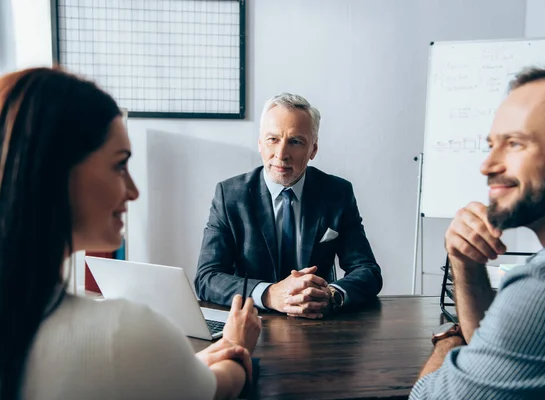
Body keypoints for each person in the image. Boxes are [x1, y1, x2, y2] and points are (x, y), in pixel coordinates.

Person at [0, 67, 261, 400]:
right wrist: (236, 346)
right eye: (120, 164)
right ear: (54, 171)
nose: (134, 191)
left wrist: (181, 367)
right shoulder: (123, 333)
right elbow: (216, 390)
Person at [410, 67, 545, 399]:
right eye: (491, 144)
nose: (487, 165)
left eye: (514, 143)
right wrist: (464, 261)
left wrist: (449, 343)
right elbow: (500, 353)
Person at [195, 93, 382, 319]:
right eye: (273, 139)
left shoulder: (337, 193)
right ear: (260, 144)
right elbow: (207, 277)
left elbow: (368, 271)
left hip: (317, 325)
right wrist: (269, 294)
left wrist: (333, 295)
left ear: (313, 149)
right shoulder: (230, 196)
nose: (281, 154)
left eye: (295, 141)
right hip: (253, 322)